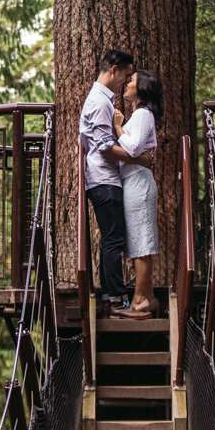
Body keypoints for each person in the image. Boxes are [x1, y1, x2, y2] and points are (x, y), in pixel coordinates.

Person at [78, 49, 155, 306]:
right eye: (125, 74)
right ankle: (115, 296)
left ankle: (115, 294)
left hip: (107, 179)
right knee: (114, 239)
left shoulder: (103, 100)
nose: (125, 80)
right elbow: (103, 147)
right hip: (103, 179)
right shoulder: (100, 102)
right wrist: (140, 160)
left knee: (114, 237)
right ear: (113, 69)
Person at [113, 69, 163, 316]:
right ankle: (150, 298)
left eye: (131, 80)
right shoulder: (139, 115)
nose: (127, 83)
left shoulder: (143, 114)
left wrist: (118, 127)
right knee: (138, 242)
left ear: (141, 88)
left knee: (141, 242)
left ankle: (139, 301)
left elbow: (132, 149)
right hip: (132, 183)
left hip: (139, 184)